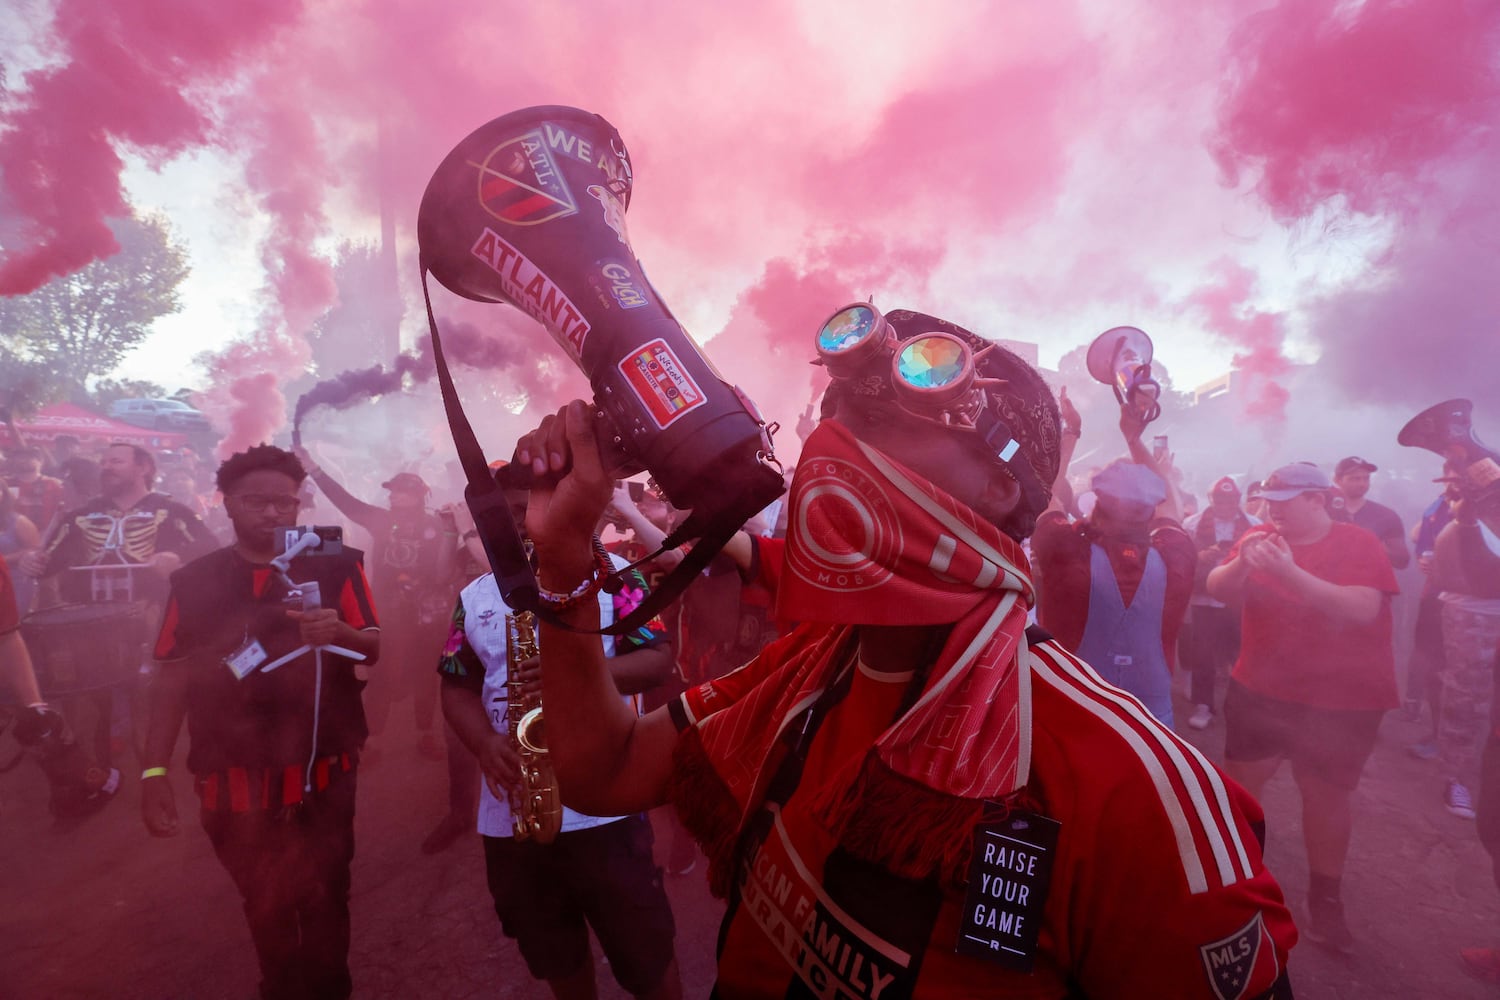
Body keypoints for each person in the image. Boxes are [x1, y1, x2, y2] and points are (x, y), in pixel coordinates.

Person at [516, 305, 1297, 997]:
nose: (834, 445)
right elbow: (604, 769)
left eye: (885, 424)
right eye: (838, 414)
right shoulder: (809, 669)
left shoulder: (1138, 789)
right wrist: (561, 556)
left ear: (999, 489)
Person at [140, 444, 380, 1000]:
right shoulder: (193, 580)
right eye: (257, 502)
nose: (273, 513)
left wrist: (335, 633)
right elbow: (171, 678)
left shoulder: (333, 558)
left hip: (325, 763)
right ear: (226, 504)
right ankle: (278, 982)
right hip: (232, 774)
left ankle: (327, 989)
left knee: (325, 892)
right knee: (262, 898)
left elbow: (372, 647)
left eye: (285, 502)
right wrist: (153, 772)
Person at [437, 485, 682, 1000]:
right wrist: (483, 744)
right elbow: (455, 684)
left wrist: (576, 674)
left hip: (606, 810)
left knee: (647, 954)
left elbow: (658, 657)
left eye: (531, 506)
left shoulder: (616, 574)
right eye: (505, 513)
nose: (521, 521)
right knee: (555, 954)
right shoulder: (475, 595)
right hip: (514, 817)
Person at [1207, 461, 1399, 952]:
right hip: (1261, 686)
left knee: (1325, 795)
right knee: (1242, 788)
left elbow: (1361, 609)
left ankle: (1325, 903)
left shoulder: (1358, 543)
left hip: (1341, 699)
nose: (1273, 510)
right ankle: (1234, 890)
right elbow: (1217, 589)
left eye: (1286, 500)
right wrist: (1243, 563)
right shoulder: (1263, 537)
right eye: (1270, 501)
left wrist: (1287, 572)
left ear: (1318, 499)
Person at [1032, 405, 1195, 727]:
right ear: (1151, 509)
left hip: (1072, 708)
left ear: (1097, 502)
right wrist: (1134, 439)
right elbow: (1171, 509)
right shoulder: (1176, 553)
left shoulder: (1064, 547)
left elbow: (1047, 492)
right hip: (1151, 722)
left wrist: (1071, 435)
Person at [295, 451, 456, 762]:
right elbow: (345, 502)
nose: (393, 496)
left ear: (418, 496)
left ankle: (426, 734)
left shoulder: (437, 523)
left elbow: (451, 561)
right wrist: (314, 469)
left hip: (429, 614)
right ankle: (374, 741)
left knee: (427, 674)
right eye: (392, 491)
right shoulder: (382, 520)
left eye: (400, 491)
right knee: (383, 673)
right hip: (390, 612)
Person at [1429, 486, 1500, 822]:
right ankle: (1455, 778)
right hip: (1474, 617)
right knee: (1466, 697)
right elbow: (1451, 576)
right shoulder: (1459, 527)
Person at [1181, 477, 1260, 730]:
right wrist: (1201, 556)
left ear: (1238, 501)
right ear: (1211, 500)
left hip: (1238, 600)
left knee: (1241, 653)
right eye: (1220, 500)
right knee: (1202, 653)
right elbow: (1181, 558)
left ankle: (1243, 706)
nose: (1225, 505)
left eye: (1231, 500)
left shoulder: (1254, 524)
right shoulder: (1192, 524)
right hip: (1203, 598)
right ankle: (1203, 704)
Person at [1333, 456, 1411, 570]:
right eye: (1355, 478)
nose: (1362, 484)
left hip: (1369, 583)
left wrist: (1371, 544)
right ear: (1337, 480)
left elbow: (1402, 562)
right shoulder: (1322, 511)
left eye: (1366, 478)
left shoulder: (1386, 516)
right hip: (1325, 583)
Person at [8, 446, 64, 537]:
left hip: (46, 537)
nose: (24, 461)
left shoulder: (55, 485)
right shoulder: (6, 484)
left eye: (30, 457)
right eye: (20, 458)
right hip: (12, 538)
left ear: (41, 461)